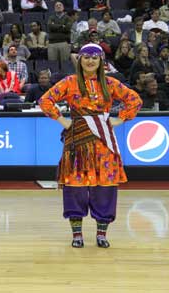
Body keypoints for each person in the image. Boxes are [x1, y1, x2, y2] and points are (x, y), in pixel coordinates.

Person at [39, 43, 142, 249]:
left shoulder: (111, 83)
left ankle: (101, 234)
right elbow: (45, 100)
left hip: (103, 143)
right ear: (79, 60)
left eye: (95, 57)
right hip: (77, 141)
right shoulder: (70, 82)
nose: (90, 60)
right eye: (86, 57)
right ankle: (77, 234)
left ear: (101, 60)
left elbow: (134, 100)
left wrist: (119, 119)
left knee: (104, 187)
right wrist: (63, 121)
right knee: (75, 187)